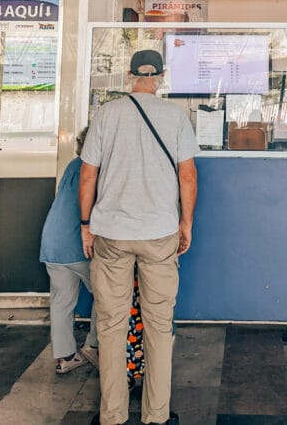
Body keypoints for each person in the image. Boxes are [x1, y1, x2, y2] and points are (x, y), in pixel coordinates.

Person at [79, 49, 199, 425]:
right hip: (159, 234)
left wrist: (86, 224)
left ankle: (112, 416)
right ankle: (156, 416)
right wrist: (186, 224)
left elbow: (87, 175)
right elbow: (188, 176)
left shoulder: (106, 114)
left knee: (111, 326)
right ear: (160, 77)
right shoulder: (176, 117)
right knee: (159, 327)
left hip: (111, 234)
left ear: (129, 75)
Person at [39, 127, 99, 374]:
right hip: (76, 244)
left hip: (52, 241)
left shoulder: (73, 165)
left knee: (62, 302)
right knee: (107, 293)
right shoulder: (92, 169)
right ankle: (94, 346)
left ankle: (65, 357)